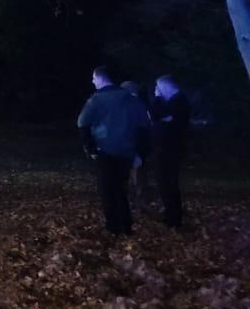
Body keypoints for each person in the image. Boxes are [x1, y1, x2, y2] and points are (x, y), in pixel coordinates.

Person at [76, 66, 152, 235]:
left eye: (94, 78)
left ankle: (113, 227)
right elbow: (144, 127)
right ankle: (126, 225)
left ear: (101, 79)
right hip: (127, 152)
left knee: (107, 190)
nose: (93, 82)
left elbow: (82, 122)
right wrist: (140, 153)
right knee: (120, 188)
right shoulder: (131, 99)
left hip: (105, 151)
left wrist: (90, 147)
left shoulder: (97, 100)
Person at [150, 75, 191, 229]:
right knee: (166, 184)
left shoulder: (178, 103)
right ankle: (171, 215)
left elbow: (157, 117)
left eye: (159, 88)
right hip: (166, 149)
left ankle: (174, 218)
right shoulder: (176, 102)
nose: (157, 91)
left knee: (168, 183)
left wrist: (157, 99)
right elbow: (159, 118)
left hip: (168, 150)